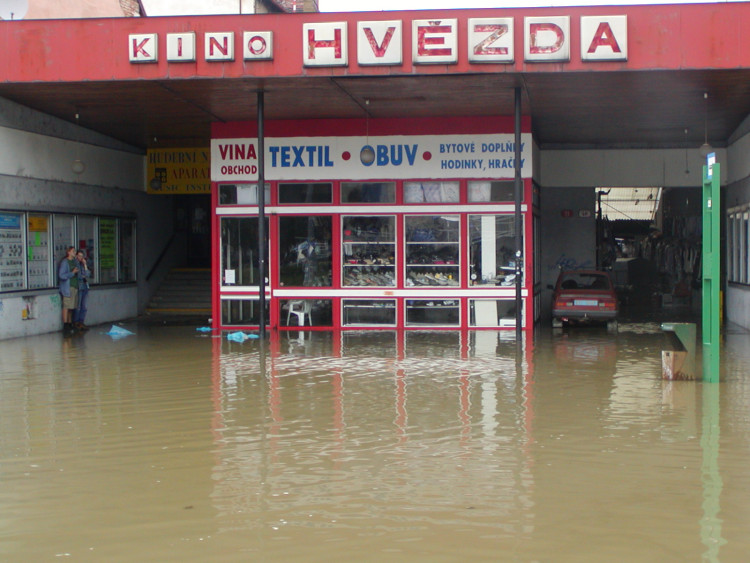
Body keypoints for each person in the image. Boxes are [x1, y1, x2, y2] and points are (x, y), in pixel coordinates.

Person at [58, 246, 79, 333]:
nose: (75, 253)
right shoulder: (65, 262)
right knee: (66, 306)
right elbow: (61, 275)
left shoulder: (74, 262)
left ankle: (70, 323)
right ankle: (65, 325)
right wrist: (72, 273)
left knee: (71, 307)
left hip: (74, 286)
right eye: (73, 251)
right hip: (68, 287)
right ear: (69, 252)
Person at [72, 249, 92, 331]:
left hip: (85, 286)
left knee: (84, 306)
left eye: (82, 256)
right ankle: (76, 322)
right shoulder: (76, 263)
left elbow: (88, 274)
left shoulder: (83, 264)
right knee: (78, 305)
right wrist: (83, 275)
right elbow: (80, 276)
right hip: (79, 286)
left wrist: (85, 265)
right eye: (79, 256)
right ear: (76, 256)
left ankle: (81, 321)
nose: (80, 258)